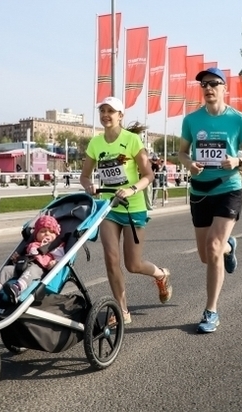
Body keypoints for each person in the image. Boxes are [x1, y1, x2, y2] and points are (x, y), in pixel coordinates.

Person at [79, 96, 172, 325]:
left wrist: (131, 189)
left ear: (120, 116)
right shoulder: (95, 143)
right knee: (111, 259)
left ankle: (160, 274)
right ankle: (122, 310)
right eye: (102, 111)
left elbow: (149, 175)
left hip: (132, 207)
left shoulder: (132, 141)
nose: (105, 115)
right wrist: (88, 185)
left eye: (111, 111)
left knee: (133, 265)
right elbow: (84, 176)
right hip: (109, 207)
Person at [178, 67, 242, 333]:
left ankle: (210, 311)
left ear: (225, 88)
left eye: (214, 84)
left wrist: (237, 160)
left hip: (228, 187)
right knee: (206, 255)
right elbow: (182, 152)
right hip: (200, 191)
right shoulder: (191, 120)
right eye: (204, 85)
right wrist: (190, 165)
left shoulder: (238, 119)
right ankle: (229, 247)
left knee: (212, 247)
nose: (208, 88)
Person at [0, 215, 65, 305]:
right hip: (23, 266)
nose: (47, 234)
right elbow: (26, 255)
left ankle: (17, 289)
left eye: (51, 232)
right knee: (7, 270)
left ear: (56, 234)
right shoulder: (32, 244)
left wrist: (54, 263)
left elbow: (60, 258)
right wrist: (17, 259)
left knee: (31, 271)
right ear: (36, 234)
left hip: (39, 269)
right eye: (42, 231)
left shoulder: (55, 246)